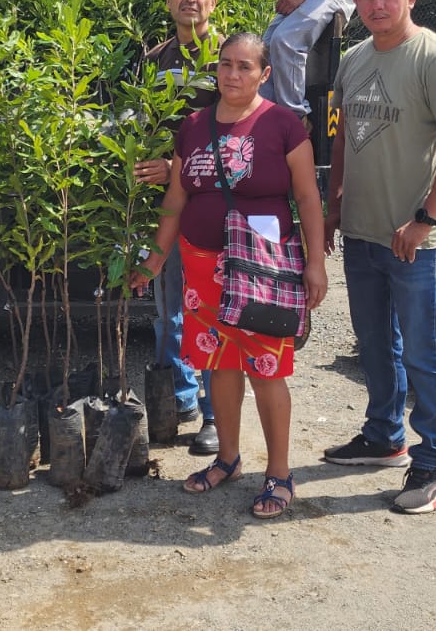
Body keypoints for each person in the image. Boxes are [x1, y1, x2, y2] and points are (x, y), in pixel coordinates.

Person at [133, 33, 327, 519]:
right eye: (225, 65)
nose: (232, 74)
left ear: (264, 74)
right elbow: (176, 200)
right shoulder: (194, 127)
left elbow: (307, 198)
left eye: (245, 66)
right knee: (218, 364)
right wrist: (155, 259)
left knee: (267, 369)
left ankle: (280, 473)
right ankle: (228, 459)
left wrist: (316, 261)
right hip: (202, 264)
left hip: (263, 267)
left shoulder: (284, 124)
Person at [321, 0, 436, 515]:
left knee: (423, 350)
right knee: (374, 344)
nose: (376, 4)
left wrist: (424, 220)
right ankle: (383, 435)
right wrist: (333, 205)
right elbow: (341, 141)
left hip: (416, 239)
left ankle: (435, 463)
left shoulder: (434, 57)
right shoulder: (353, 60)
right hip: (363, 233)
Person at [133, 0, 222, 455]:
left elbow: (236, 134)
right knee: (168, 309)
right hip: (165, 209)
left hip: (211, 209)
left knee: (206, 309)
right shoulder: (156, 60)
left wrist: (177, 169)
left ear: (213, 0)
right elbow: (148, 129)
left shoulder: (226, 59)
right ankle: (180, 398)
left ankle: (213, 414)